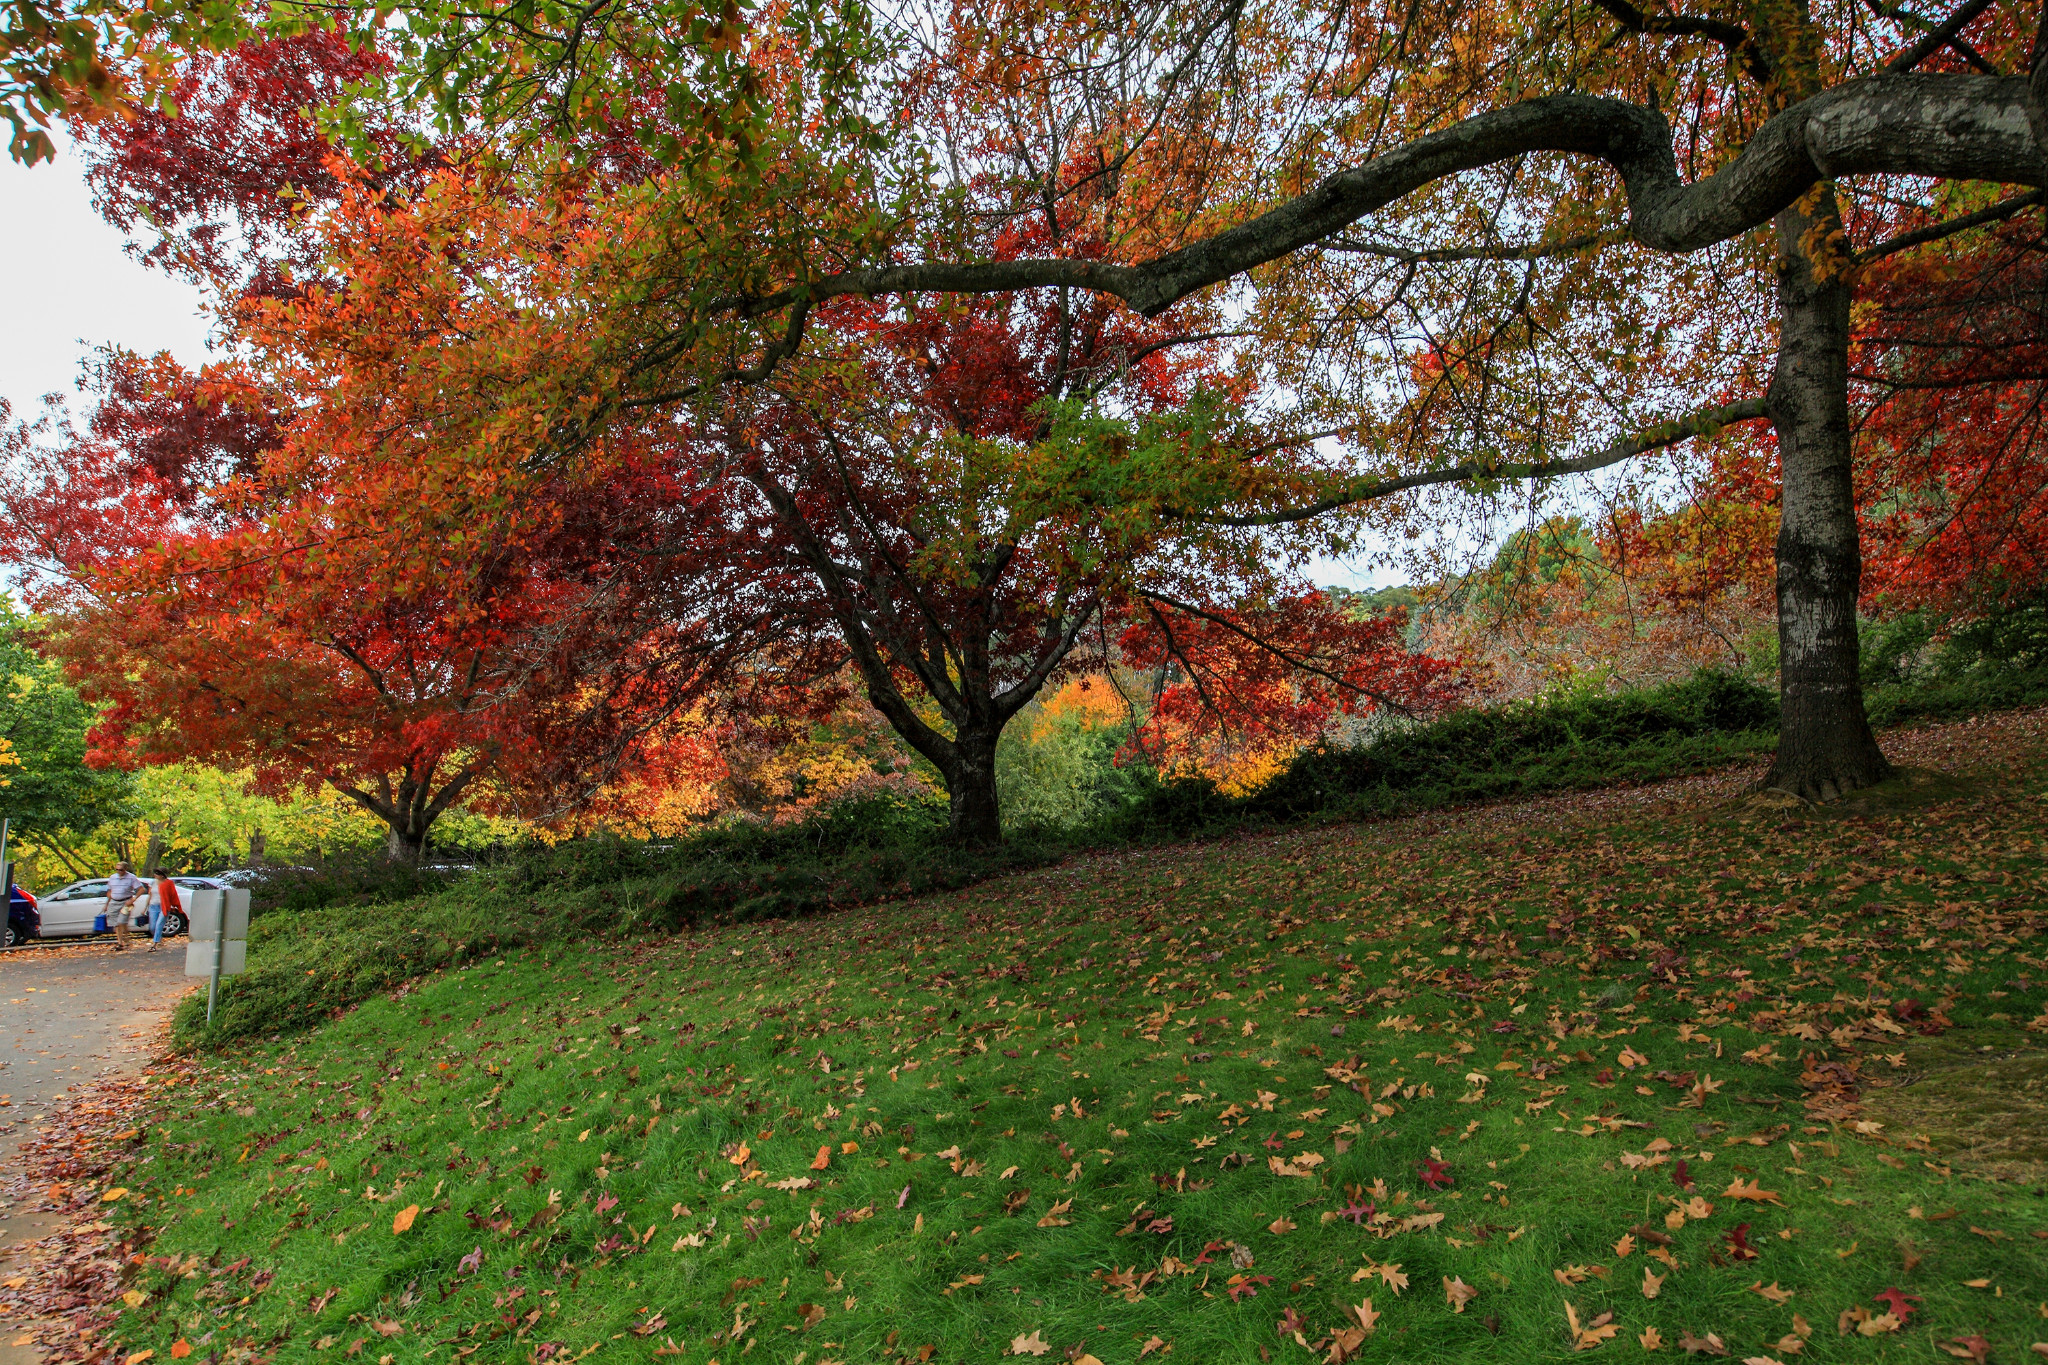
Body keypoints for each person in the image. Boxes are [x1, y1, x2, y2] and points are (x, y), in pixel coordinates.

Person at [105, 861, 142, 951]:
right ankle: (121, 941)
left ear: (125, 869)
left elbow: (141, 889)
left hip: (125, 902)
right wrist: (107, 904)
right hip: (114, 902)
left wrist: (133, 899)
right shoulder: (112, 878)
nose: (119, 871)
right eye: (117, 870)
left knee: (122, 921)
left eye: (121, 870)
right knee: (115, 923)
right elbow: (110, 891)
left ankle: (124, 939)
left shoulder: (131, 877)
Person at [150, 874, 182, 951]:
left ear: (162, 875)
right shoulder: (153, 882)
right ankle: (159, 938)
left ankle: (154, 944)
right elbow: (150, 895)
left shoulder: (168, 883)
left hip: (164, 906)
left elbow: (173, 894)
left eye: (157, 873)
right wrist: (145, 907)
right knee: (152, 927)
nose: (155, 875)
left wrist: (174, 905)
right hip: (153, 906)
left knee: (159, 925)